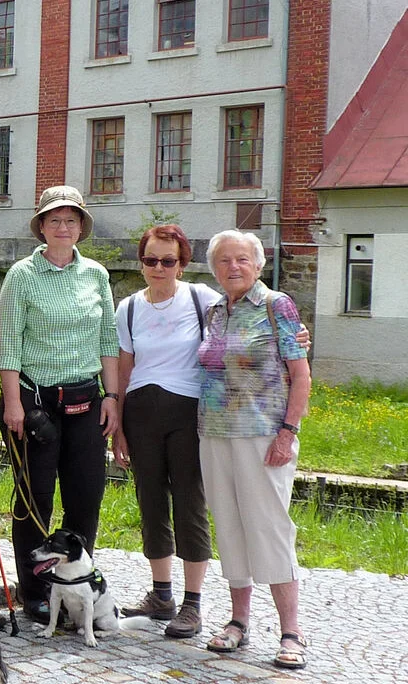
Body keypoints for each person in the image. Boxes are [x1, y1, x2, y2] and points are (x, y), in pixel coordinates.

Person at [0, 185, 120, 623]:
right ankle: (35, 592)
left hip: (87, 400)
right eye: (54, 220)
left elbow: (108, 340)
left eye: (70, 220)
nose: (62, 227)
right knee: (35, 501)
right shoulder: (21, 275)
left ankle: (76, 586)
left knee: (86, 496)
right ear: (42, 226)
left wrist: (113, 397)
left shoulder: (97, 275)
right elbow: (7, 344)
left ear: (81, 226)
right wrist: (13, 404)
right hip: (35, 403)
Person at [197, 230, 311, 670]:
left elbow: (300, 375)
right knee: (229, 526)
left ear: (258, 264)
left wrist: (288, 430)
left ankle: (291, 630)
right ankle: (238, 622)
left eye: (242, 259)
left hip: (263, 434)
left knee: (269, 528)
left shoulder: (275, 305)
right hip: (214, 432)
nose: (233, 267)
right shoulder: (213, 311)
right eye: (224, 260)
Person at [111, 224, 220, 638]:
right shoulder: (130, 308)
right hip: (141, 411)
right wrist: (118, 423)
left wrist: (293, 333)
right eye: (150, 259)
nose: (159, 267)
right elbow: (125, 366)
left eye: (168, 260)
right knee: (150, 500)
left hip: (189, 411)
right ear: (141, 262)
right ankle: (161, 594)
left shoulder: (202, 299)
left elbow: (244, 321)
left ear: (182, 263)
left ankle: (193, 603)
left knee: (190, 501)